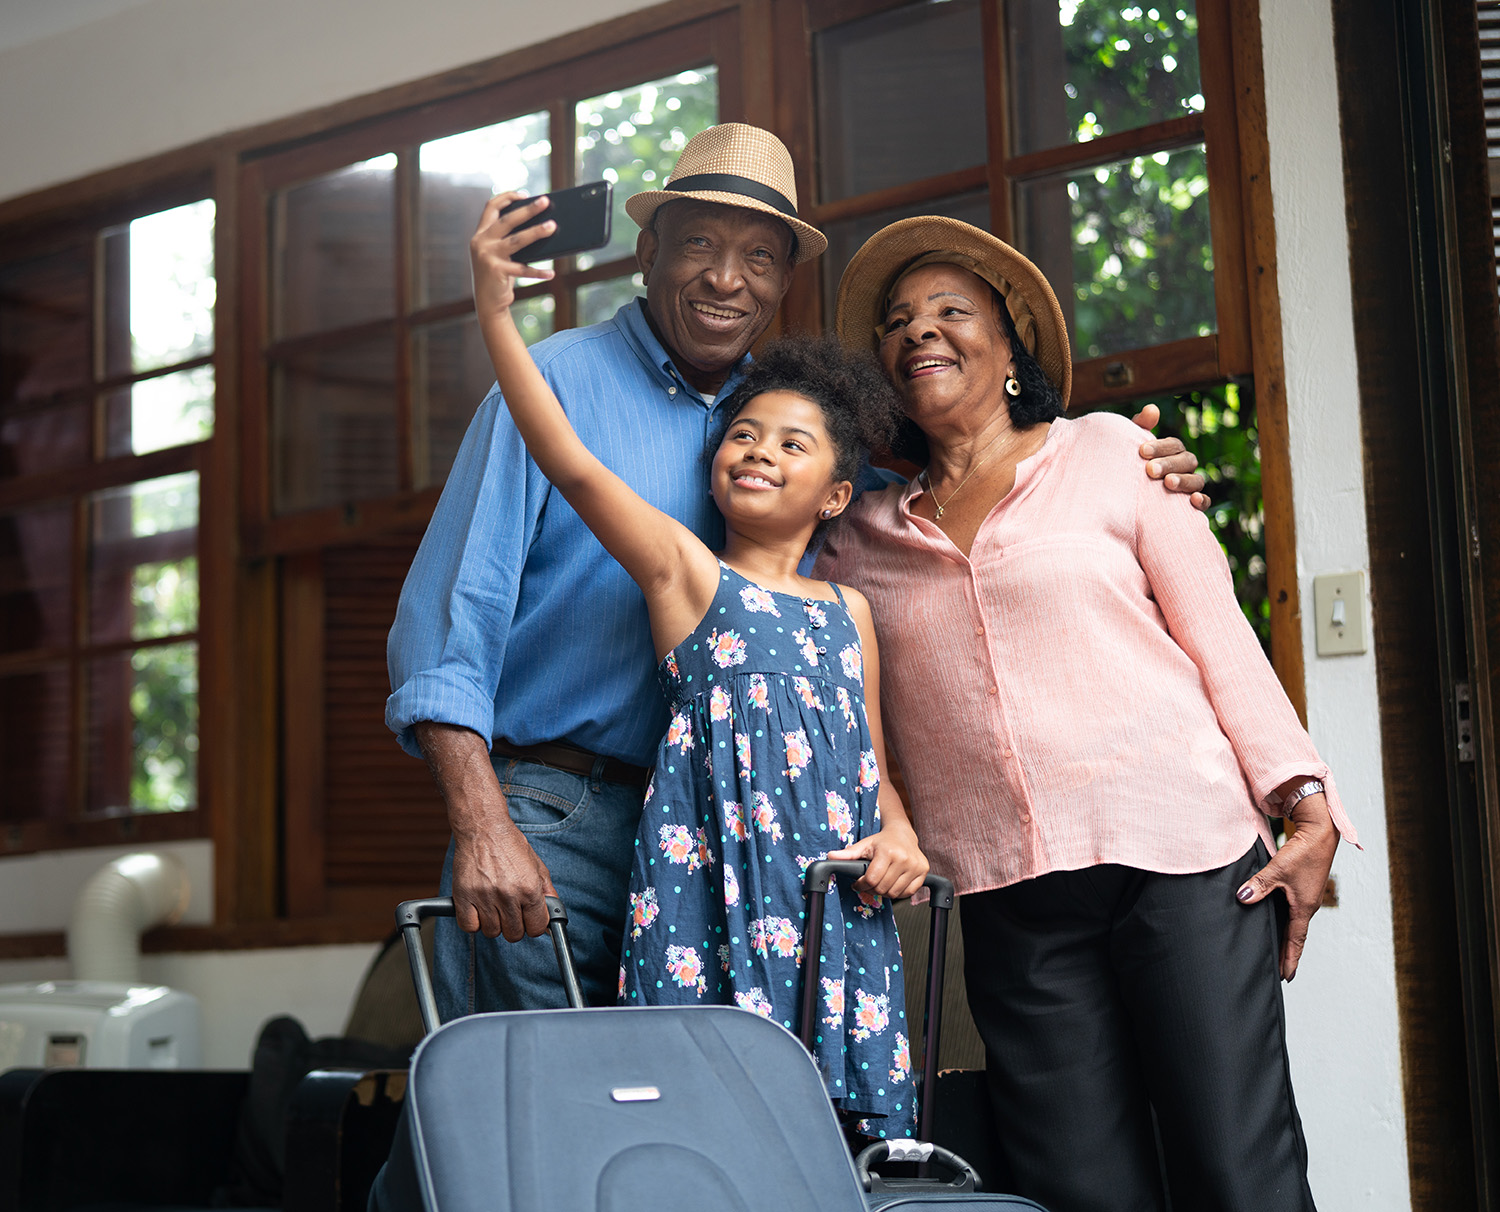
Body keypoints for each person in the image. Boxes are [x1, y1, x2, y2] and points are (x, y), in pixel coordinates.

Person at [384, 122, 1206, 1020]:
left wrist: (1119, 459)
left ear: (783, 282)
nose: (727, 278)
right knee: (518, 1107)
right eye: (698, 243)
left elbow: (963, 472)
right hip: (559, 813)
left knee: (689, 1121)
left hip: (730, 837)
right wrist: (483, 823)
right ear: (649, 251)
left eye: (759, 258)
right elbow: (445, 627)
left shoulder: (797, 428)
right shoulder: (552, 389)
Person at [819, 215, 1359, 1212]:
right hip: (1009, 894)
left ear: (1010, 344)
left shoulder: (1113, 454)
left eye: (950, 310)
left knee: (1235, 1169)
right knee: (1080, 1188)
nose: (918, 333)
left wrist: (1308, 803)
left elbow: (1217, 635)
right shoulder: (856, 537)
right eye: (897, 323)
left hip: (1186, 863)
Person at [468, 189, 927, 1137]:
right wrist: (492, 312)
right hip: (710, 898)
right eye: (744, 437)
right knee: (678, 1123)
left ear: (841, 492)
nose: (758, 453)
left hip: (827, 913)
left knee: (824, 1138)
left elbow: (872, 763)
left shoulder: (850, 611)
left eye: (792, 445)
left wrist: (903, 837)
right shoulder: (686, 571)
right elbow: (572, 462)